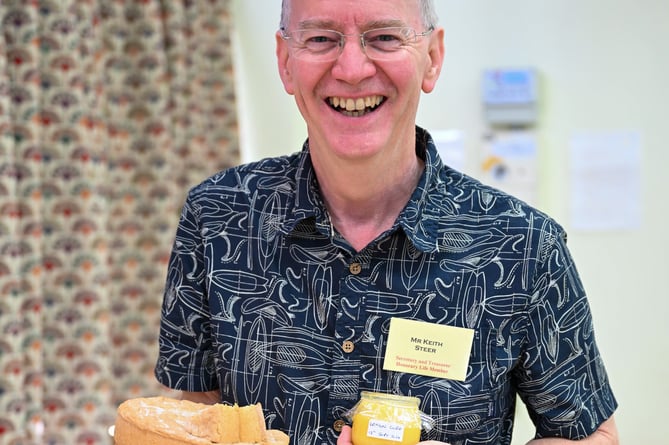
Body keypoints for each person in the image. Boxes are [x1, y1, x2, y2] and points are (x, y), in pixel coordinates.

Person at [154, 0, 619, 444]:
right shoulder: (217, 218)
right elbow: (194, 410)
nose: (352, 69)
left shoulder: (524, 246)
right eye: (320, 38)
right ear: (285, 61)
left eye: (383, 37)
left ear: (432, 58)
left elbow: (593, 436)